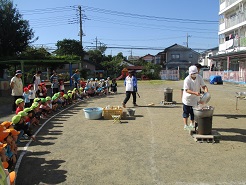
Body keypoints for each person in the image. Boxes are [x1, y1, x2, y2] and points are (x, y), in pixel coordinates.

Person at [182, 65, 208, 130]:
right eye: (193, 74)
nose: (195, 75)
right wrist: (195, 93)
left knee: (194, 112)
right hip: (187, 99)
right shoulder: (187, 79)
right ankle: (185, 125)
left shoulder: (199, 77)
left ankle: (192, 124)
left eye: (196, 73)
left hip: (195, 99)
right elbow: (186, 90)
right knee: (186, 113)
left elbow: (204, 86)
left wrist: (206, 92)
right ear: (190, 73)